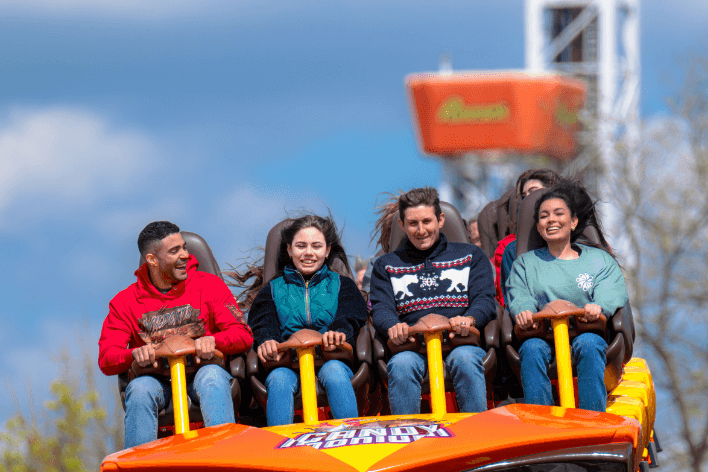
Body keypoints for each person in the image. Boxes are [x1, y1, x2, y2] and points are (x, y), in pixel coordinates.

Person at [98, 221, 253, 448]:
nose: (185, 256)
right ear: (152, 260)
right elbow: (106, 358)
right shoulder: (125, 302)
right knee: (140, 389)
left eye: (184, 248)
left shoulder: (209, 286)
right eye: (174, 251)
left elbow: (242, 335)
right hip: (157, 381)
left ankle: (226, 452)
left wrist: (213, 340)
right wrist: (135, 354)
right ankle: (142, 470)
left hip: (203, 370)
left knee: (211, 377)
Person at [369, 186, 496, 414]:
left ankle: (477, 433)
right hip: (412, 346)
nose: (421, 230)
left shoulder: (471, 256)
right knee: (401, 365)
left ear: (440, 220)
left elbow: (485, 299)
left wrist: (470, 318)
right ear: (402, 225)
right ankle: (409, 439)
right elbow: (381, 308)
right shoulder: (385, 265)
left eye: (427, 222)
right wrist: (393, 326)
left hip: (460, 340)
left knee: (465, 360)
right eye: (413, 223)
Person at [506, 182, 628, 412]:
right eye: (544, 216)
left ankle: (592, 418)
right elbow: (518, 292)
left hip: (585, 332)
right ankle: (542, 420)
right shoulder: (525, 263)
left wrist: (599, 307)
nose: (551, 220)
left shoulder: (598, 261)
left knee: (590, 344)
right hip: (543, 336)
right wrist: (524, 309)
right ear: (538, 226)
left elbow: (611, 291)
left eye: (558, 214)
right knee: (531, 349)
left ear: (573, 222)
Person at [249, 215, 367, 425]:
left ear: (327, 250)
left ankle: (350, 433)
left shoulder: (343, 285)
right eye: (301, 246)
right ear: (289, 250)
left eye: (316, 246)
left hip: (331, 357)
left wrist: (340, 329)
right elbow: (262, 319)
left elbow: (352, 314)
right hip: (287, 362)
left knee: (334, 374)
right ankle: (281, 446)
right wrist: (268, 338)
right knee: (279, 380)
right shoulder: (272, 290)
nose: (309, 253)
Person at [495, 168, 562, 305]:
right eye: (524, 196)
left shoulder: (585, 247)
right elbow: (509, 300)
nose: (528, 199)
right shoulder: (511, 249)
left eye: (534, 192)